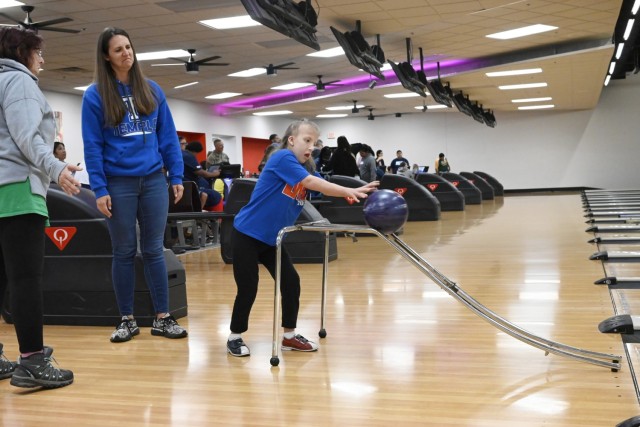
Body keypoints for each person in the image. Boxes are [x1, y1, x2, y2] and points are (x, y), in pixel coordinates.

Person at [227, 119, 378, 357]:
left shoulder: (305, 166)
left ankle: (289, 336)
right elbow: (310, 183)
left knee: (291, 282)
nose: (311, 147)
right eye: (306, 140)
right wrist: (348, 190)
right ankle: (234, 336)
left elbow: (319, 184)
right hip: (247, 233)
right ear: (291, 140)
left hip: (272, 239)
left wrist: (347, 193)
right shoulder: (281, 158)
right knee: (248, 287)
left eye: (314, 142)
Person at [81, 27, 188, 343]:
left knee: (154, 248)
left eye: (128, 47)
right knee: (124, 251)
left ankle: (162, 318)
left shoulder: (152, 90)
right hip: (118, 184)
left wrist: (177, 176)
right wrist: (99, 190)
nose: (126, 53)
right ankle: (126, 319)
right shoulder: (95, 95)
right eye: (118, 49)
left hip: (154, 179)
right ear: (106, 56)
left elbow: (167, 137)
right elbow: (92, 146)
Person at [0, 26, 81, 388]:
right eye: (39, 53)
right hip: (17, 191)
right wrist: (58, 167)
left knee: (2, 278)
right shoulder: (19, 84)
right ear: (23, 53)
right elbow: (29, 139)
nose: (43, 61)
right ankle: (32, 361)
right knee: (25, 279)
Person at [183, 141, 222, 209]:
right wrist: (215, 174)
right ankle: (200, 215)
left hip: (186, 185)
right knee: (216, 196)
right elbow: (201, 172)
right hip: (190, 186)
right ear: (195, 151)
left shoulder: (180, 155)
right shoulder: (188, 156)